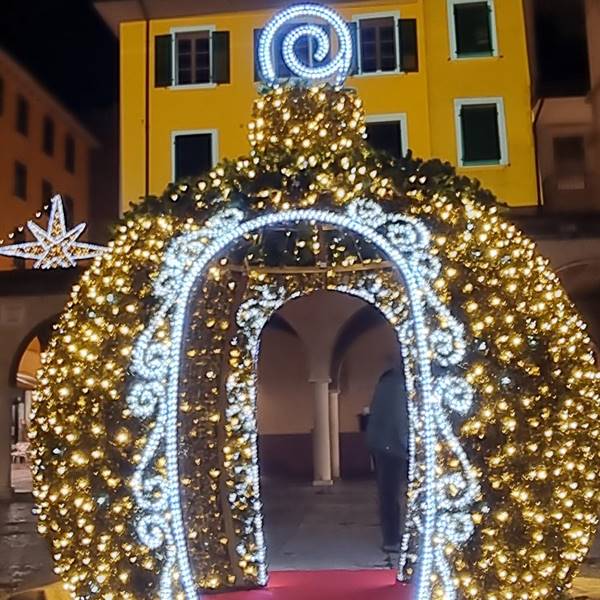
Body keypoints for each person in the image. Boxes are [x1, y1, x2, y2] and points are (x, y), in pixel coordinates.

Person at [366, 362, 409, 554]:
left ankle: (390, 536)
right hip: (393, 447)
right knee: (392, 494)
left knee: (386, 494)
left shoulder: (385, 382)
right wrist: (409, 446)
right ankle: (392, 539)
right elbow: (401, 420)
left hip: (380, 445)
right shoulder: (399, 386)